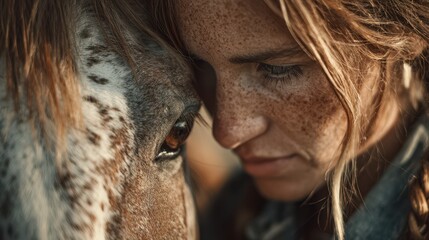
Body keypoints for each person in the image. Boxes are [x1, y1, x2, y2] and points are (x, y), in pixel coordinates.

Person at [149, 0, 429, 239]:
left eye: (277, 70)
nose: (227, 132)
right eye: (200, 66)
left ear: (400, 35)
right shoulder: (226, 212)